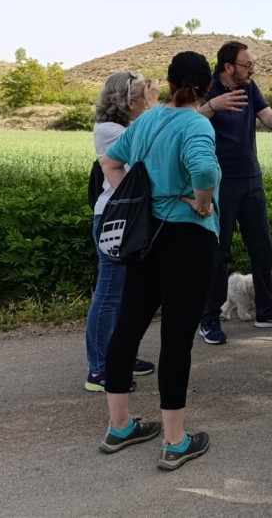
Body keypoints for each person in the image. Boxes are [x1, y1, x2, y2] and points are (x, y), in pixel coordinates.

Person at [97, 51, 221, 471]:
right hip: (188, 239)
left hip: (145, 238)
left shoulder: (146, 121)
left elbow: (109, 162)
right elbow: (205, 171)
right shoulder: (196, 123)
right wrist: (202, 203)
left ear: (168, 82)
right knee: (176, 339)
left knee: (128, 326)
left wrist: (139, 202)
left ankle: (120, 426)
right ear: (206, 87)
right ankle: (174, 440)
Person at [197, 41, 272, 343]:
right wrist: (213, 105)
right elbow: (188, 120)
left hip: (251, 177)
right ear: (228, 67)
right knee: (219, 253)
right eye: (247, 65)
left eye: (253, 64)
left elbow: (268, 119)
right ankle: (209, 319)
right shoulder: (208, 90)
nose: (252, 69)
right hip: (219, 181)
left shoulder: (250, 88)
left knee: (263, 248)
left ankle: (267, 311)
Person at [84, 72, 160, 391]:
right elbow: (149, 146)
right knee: (109, 294)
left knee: (126, 294)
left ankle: (120, 356)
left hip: (127, 218)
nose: (148, 99)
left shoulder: (124, 126)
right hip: (115, 219)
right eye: (144, 95)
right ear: (129, 102)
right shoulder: (110, 131)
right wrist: (157, 108)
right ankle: (100, 368)